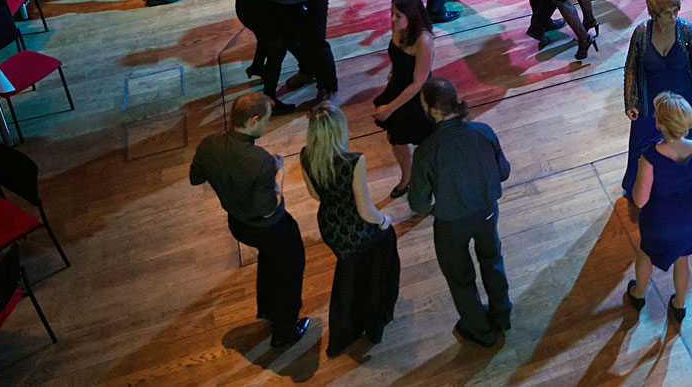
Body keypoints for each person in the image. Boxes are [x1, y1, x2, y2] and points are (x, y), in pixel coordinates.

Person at [188, 93, 310, 349]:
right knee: (290, 270)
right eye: (266, 120)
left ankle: (267, 310)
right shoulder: (261, 161)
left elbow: (195, 177)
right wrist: (279, 173)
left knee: (268, 260)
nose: (267, 125)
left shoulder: (209, 144)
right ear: (253, 120)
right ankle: (285, 332)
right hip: (270, 229)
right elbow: (268, 209)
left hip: (238, 224)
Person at [408, 77, 513, 349]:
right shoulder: (483, 131)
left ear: (433, 110)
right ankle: (502, 316)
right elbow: (503, 172)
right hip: (487, 212)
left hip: (451, 225)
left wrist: (436, 205)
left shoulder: (425, 153)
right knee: (492, 260)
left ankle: (481, 332)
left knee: (460, 278)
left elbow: (418, 204)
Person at [299, 103, 399, 358]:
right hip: (354, 230)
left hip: (330, 226)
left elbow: (315, 194)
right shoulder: (354, 161)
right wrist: (384, 219)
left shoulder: (306, 155)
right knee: (385, 240)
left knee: (354, 267)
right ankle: (376, 314)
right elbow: (365, 211)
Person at [625, 91, 692, 326]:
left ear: (661, 125)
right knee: (682, 258)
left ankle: (638, 294)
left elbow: (640, 200)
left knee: (645, 253)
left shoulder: (650, 157)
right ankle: (680, 305)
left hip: (658, 216)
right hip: (689, 213)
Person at [621, 0, 692, 198]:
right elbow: (631, 69)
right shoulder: (641, 34)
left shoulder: (685, 30)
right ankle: (636, 187)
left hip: (682, 97)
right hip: (650, 99)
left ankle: (683, 182)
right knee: (642, 141)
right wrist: (630, 101)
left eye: (676, 10)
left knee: (684, 139)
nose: (674, 16)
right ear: (654, 13)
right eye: (668, 12)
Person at [373, 0, 437, 197]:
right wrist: (393, 73)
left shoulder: (423, 40)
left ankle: (429, 179)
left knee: (421, 140)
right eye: (391, 13)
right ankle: (407, 176)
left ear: (412, 15)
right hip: (399, 87)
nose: (392, 19)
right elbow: (398, 56)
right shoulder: (399, 28)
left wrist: (389, 108)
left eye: (398, 15)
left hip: (416, 96)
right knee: (396, 137)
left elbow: (418, 82)